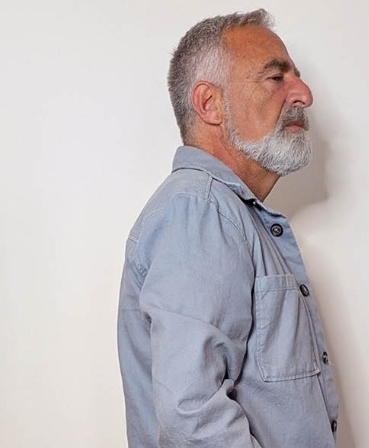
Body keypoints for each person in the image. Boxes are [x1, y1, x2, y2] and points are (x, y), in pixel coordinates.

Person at [118, 9, 339, 448]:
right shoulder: (201, 211)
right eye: (276, 78)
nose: (304, 94)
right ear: (209, 104)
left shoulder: (228, 214)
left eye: (297, 78)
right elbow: (193, 414)